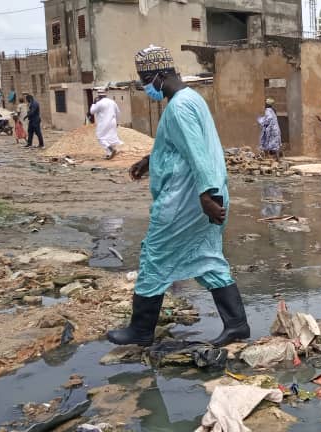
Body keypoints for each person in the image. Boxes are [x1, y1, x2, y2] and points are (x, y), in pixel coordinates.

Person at [107, 45, 249, 348]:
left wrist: (207, 194)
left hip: (186, 200)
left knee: (154, 255)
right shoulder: (190, 100)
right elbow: (180, 146)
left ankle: (141, 330)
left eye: (146, 81)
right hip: (200, 196)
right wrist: (149, 160)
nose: (146, 88)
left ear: (158, 75)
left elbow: (199, 154)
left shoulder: (179, 107)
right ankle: (237, 325)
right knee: (206, 257)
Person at [89, 89, 123, 160]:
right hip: (112, 122)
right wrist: (117, 122)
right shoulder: (112, 102)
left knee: (100, 137)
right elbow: (118, 112)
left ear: (98, 96)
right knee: (109, 137)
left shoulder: (99, 103)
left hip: (103, 123)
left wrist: (94, 103)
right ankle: (109, 154)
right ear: (105, 95)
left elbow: (92, 112)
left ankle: (111, 149)